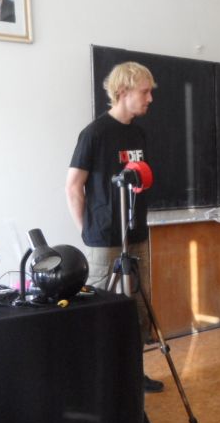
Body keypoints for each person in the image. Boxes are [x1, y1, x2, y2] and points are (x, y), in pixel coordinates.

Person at [66, 61, 164, 393]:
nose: (150, 98)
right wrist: (87, 231)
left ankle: (133, 375)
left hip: (136, 235)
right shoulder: (94, 134)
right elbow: (73, 187)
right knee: (100, 310)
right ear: (123, 91)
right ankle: (99, 384)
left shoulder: (139, 133)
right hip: (103, 240)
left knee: (138, 310)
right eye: (145, 91)